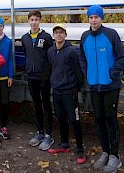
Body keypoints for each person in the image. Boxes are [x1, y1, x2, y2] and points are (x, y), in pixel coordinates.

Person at [79, 5, 124, 173]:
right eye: (91, 17)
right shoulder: (85, 36)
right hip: (94, 86)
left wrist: (112, 73)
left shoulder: (110, 34)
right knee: (98, 119)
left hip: (110, 86)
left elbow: (122, 57)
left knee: (110, 119)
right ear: (88, 19)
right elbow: (82, 58)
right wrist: (87, 73)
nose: (93, 19)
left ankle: (115, 156)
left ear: (101, 18)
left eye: (96, 17)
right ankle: (105, 152)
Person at [46, 24, 86, 164]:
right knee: (60, 117)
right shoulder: (51, 51)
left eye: (61, 32)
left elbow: (78, 70)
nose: (59, 35)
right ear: (53, 35)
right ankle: (64, 144)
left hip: (69, 91)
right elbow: (51, 69)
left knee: (74, 120)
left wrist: (77, 88)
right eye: (56, 33)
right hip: (56, 91)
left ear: (65, 35)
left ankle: (80, 149)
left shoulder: (71, 51)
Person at [21, 10, 54, 151]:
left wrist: (48, 72)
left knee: (46, 105)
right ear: (28, 21)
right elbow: (26, 53)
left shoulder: (46, 37)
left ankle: (49, 134)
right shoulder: (25, 38)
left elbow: (51, 55)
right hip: (31, 77)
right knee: (36, 105)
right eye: (31, 19)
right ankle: (40, 131)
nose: (33, 22)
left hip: (44, 77)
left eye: (36, 19)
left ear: (40, 21)